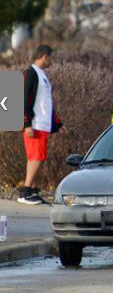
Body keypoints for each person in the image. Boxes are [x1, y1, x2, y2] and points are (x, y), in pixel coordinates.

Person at [19, 45, 62, 205]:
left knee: (38, 157)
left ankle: (32, 191)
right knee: (36, 157)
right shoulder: (31, 73)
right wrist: (27, 123)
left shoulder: (41, 74)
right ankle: (25, 192)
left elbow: (45, 102)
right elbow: (24, 99)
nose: (52, 61)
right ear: (45, 56)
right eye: (51, 57)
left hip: (42, 125)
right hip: (35, 124)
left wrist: (54, 123)